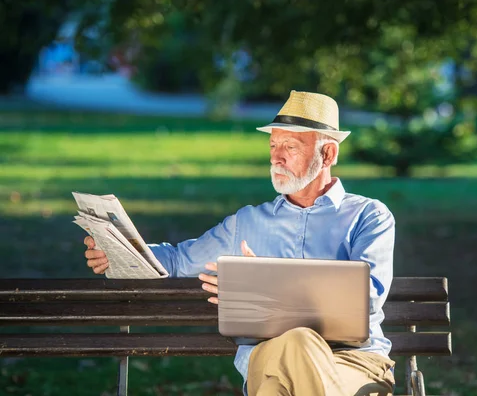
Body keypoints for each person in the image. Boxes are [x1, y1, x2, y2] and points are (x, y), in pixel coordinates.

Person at [84, 90, 396, 396]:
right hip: (268, 358)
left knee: (283, 376)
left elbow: (366, 298)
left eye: (290, 145)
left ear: (327, 154)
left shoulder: (368, 216)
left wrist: (266, 290)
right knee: (295, 345)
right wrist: (123, 252)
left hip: (353, 363)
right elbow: (179, 260)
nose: (276, 156)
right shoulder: (246, 223)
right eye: (273, 145)